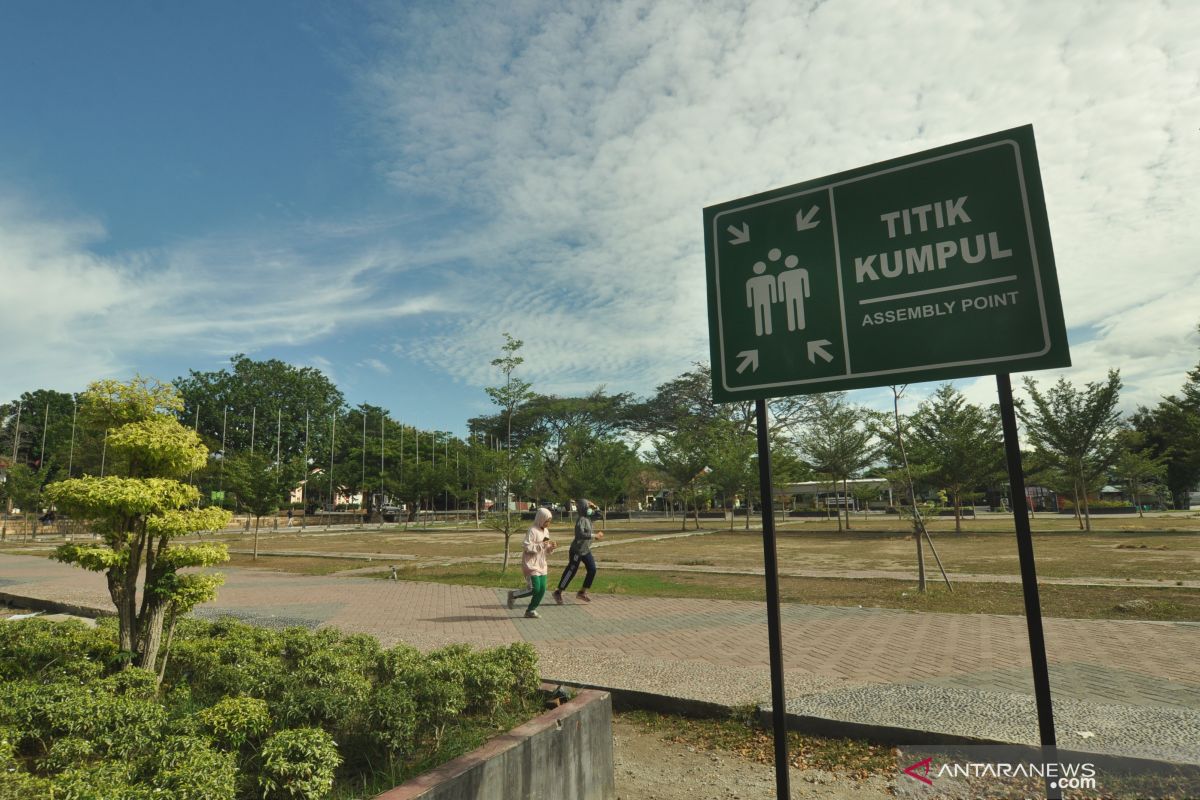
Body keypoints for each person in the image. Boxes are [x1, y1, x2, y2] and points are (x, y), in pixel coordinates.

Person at [553, 497, 604, 604]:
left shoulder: (589, 517)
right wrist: (595, 535)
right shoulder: (581, 520)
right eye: (587, 507)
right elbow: (580, 534)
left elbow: (600, 515)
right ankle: (558, 592)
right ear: (583, 508)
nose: (589, 509)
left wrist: (595, 506)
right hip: (576, 551)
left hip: (585, 550)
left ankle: (582, 592)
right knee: (571, 571)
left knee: (592, 569)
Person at [507, 507, 557, 618]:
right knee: (535, 589)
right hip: (531, 564)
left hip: (542, 564)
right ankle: (513, 595)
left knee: (542, 589)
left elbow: (545, 548)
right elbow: (526, 546)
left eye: (549, 521)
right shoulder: (532, 530)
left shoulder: (546, 531)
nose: (548, 523)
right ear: (540, 519)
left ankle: (530, 610)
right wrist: (541, 545)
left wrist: (551, 547)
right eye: (546, 521)